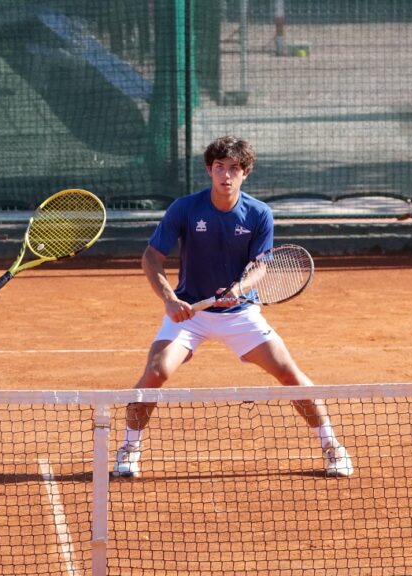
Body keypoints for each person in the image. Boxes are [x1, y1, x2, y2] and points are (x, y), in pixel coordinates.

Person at [111, 136, 354, 479]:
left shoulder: (258, 214)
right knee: (155, 373)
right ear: (210, 170)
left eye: (234, 169)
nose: (226, 175)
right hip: (192, 314)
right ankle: (129, 449)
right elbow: (151, 257)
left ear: (246, 173)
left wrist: (238, 289)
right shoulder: (185, 208)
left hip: (240, 314)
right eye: (220, 168)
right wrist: (170, 300)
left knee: (290, 374)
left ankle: (332, 447)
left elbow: (261, 265)